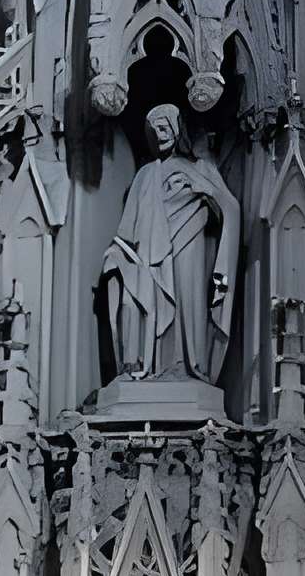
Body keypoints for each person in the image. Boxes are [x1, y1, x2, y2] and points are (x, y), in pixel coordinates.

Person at [101, 105, 239, 384]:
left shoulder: (202, 168)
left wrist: (206, 191)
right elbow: (128, 227)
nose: (160, 135)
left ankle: (188, 368)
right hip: (151, 255)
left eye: (165, 128)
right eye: (155, 131)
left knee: (189, 302)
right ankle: (146, 366)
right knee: (139, 303)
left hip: (190, 243)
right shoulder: (145, 175)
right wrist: (115, 252)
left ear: (177, 130)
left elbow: (230, 208)